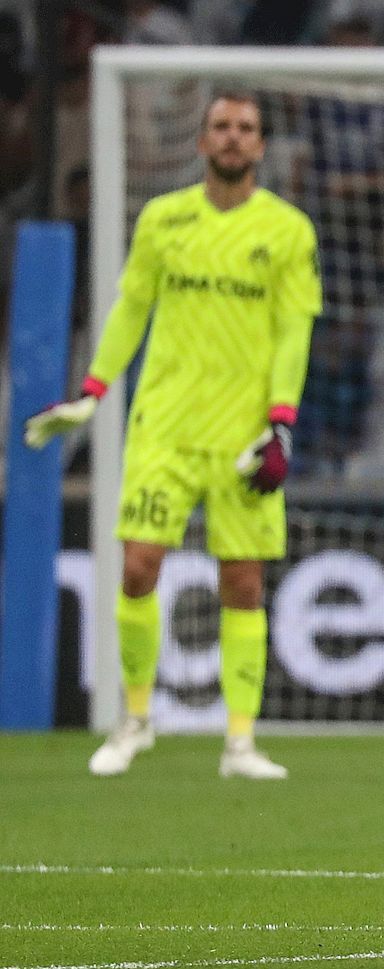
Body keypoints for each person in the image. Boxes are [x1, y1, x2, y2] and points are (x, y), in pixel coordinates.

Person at [24, 92, 321, 779]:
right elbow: (132, 308)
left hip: (243, 435)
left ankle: (240, 743)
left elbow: (293, 333)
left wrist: (280, 423)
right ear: (201, 141)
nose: (232, 137)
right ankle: (134, 721)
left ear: (260, 146)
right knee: (136, 569)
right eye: (221, 126)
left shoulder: (287, 230)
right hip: (162, 428)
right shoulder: (163, 220)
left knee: (243, 583)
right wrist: (94, 389)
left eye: (246, 128)